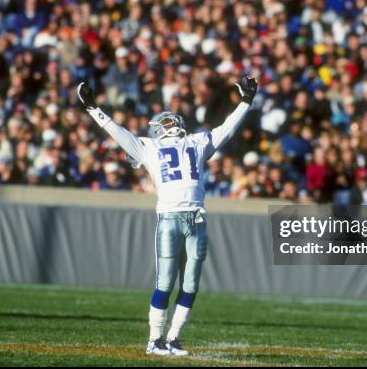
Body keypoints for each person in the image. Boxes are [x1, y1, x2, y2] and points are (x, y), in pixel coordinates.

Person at [76, 75, 258, 356]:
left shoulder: (195, 142)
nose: (163, 126)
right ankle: (154, 340)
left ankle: (172, 338)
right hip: (172, 218)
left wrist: (246, 101)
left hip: (195, 217)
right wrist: (92, 109)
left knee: (190, 283)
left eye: (166, 122)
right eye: (162, 123)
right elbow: (119, 133)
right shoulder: (156, 147)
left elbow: (226, 129)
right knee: (165, 282)